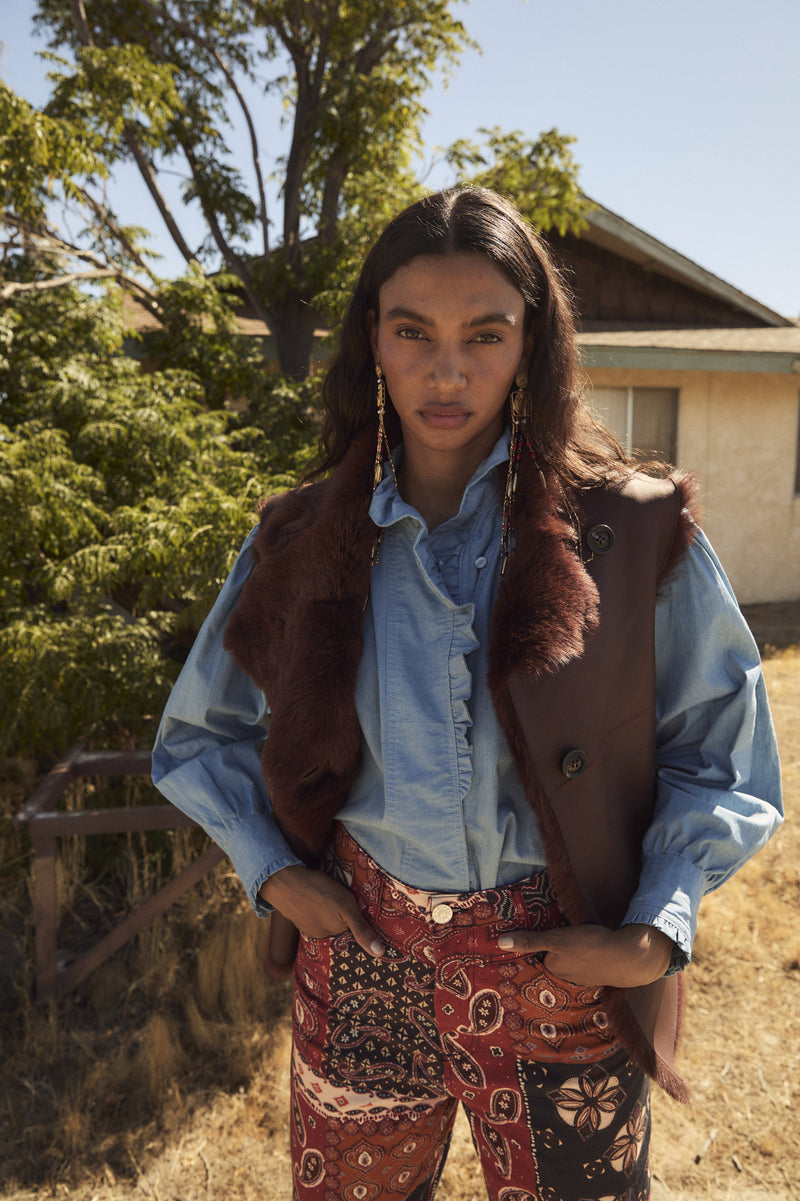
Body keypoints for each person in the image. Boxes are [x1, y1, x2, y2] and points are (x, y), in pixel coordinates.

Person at [152, 187, 782, 1201]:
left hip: (559, 967)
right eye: (413, 332)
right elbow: (199, 736)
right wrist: (272, 871)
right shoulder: (302, 538)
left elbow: (721, 746)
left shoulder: (627, 531)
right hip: (358, 956)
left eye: (483, 335)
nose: (446, 372)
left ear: (530, 343)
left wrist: (650, 928)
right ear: (373, 338)